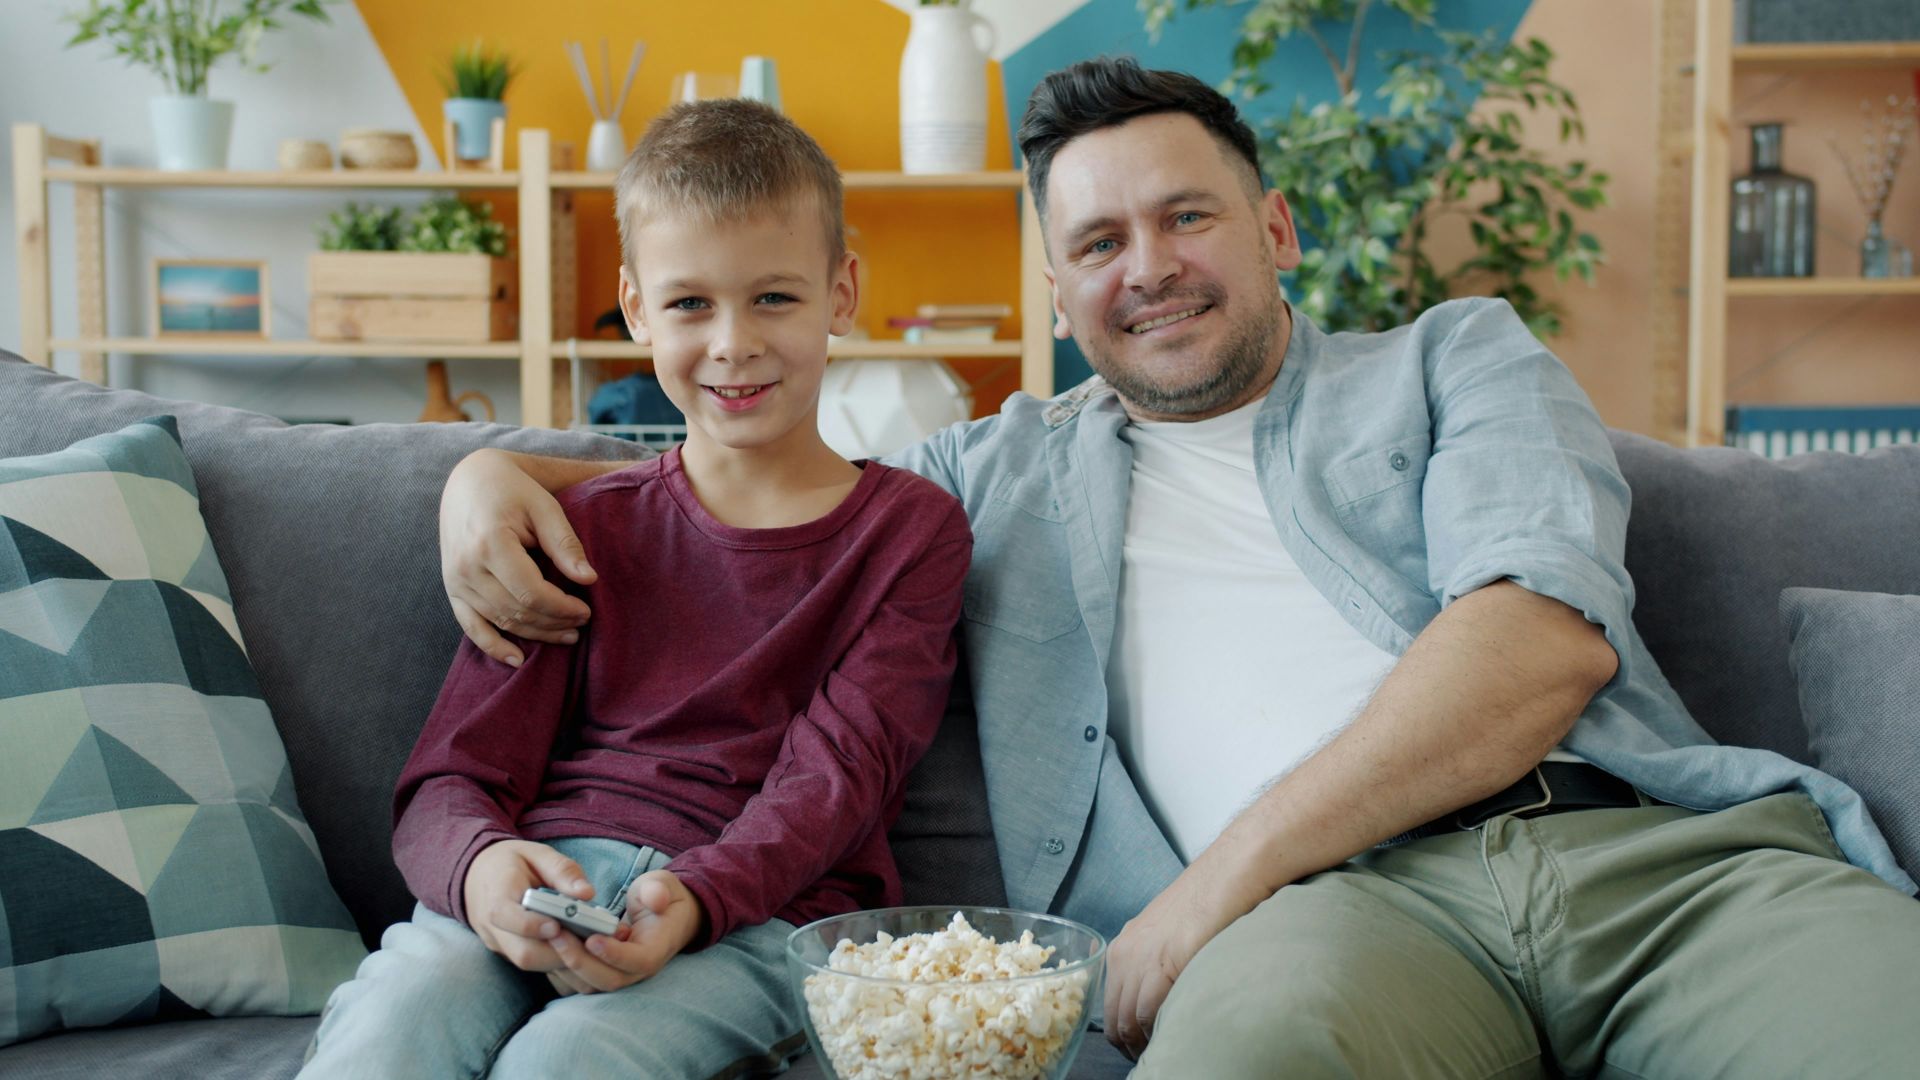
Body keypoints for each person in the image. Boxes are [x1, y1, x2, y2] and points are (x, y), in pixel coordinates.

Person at [437, 59, 1920, 1078]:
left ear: (1274, 226)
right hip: (1332, 930)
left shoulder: (1454, 360)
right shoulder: (984, 476)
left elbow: (1539, 641)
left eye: (1186, 215)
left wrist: (1213, 887)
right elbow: (736, 481)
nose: (1145, 265)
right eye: (1096, 241)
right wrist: (487, 476)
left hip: (1645, 861)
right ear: (1057, 285)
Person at [303, 99, 971, 1079]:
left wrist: (693, 898)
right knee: (397, 1023)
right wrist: (482, 868)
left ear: (842, 293)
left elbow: (840, 773)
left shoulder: (909, 531)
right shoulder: (582, 527)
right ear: (636, 306)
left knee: (569, 1062)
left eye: (774, 298)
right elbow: (453, 777)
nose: (733, 343)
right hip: (546, 881)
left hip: (762, 917)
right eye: (691, 303)